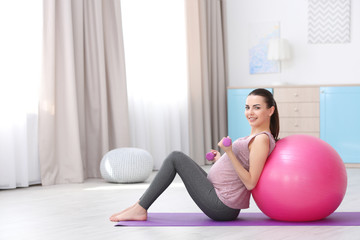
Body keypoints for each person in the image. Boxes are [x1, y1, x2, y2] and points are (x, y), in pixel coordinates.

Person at [110, 88, 279, 222]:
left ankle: (140, 208)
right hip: (220, 196)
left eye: (257, 108)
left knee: (176, 157)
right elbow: (242, 164)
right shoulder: (254, 137)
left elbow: (250, 183)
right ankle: (138, 206)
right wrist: (221, 159)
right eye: (247, 107)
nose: (250, 112)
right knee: (176, 157)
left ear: (270, 110)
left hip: (222, 206)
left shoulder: (261, 140)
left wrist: (229, 152)